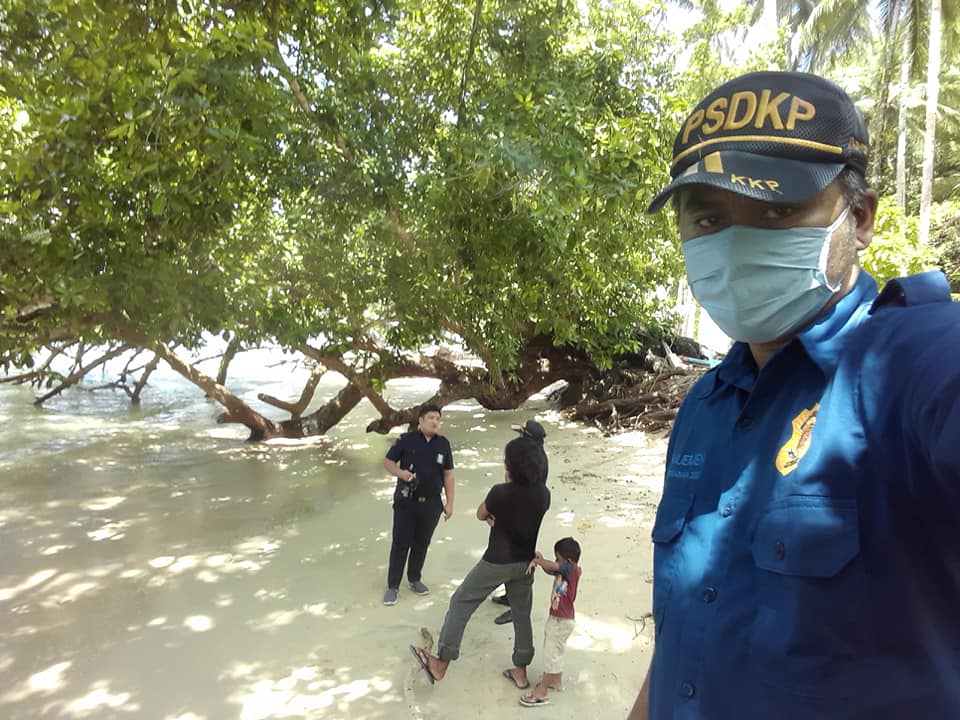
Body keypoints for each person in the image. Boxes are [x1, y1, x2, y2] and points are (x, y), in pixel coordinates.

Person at [628, 71, 960, 719]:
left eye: (778, 211)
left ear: (859, 218)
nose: (736, 244)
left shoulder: (914, 359)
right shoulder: (704, 405)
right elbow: (688, 628)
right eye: (708, 218)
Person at [410, 436, 551, 689]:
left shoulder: (500, 492)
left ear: (511, 466)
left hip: (496, 562)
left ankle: (440, 664)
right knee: (521, 616)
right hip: (525, 563)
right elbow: (523, 510)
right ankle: (520, 672)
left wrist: (497, 508)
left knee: (461, 602)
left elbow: (480, 513)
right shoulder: (543, 494)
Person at [382, 403, 454, 606]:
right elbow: (388, 462)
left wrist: (450, 503)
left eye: (438, 419)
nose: (435, 422)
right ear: (420, 420)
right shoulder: (406, 440)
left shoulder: (443, 444)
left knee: (422, 543)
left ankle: (414, 578)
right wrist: (401, 473)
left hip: (432, 504)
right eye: (431, 418)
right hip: (407, 501)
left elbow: (448, 475)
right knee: (400, 543)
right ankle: (393, 586)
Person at [492, 419, 549, 625]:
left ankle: (517, 607)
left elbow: (522, 489)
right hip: (520, 510)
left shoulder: (535, 461)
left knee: (520, 559)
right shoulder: (532, 455)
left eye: (522, 434)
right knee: (512, 556)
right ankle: (510, 597)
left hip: (524, 515)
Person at [519, 536, 582, 708]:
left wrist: (538, 561)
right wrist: (541, 561)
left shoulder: (572, 569)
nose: (555, 562)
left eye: (558, 558)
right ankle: (555, 680)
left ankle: (542, 691)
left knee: (550, 654)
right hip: (561, 619)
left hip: (561, 621)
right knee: (556, 651)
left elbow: (553, 567)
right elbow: (552, 569)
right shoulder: (565, 570)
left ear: (568, 560)